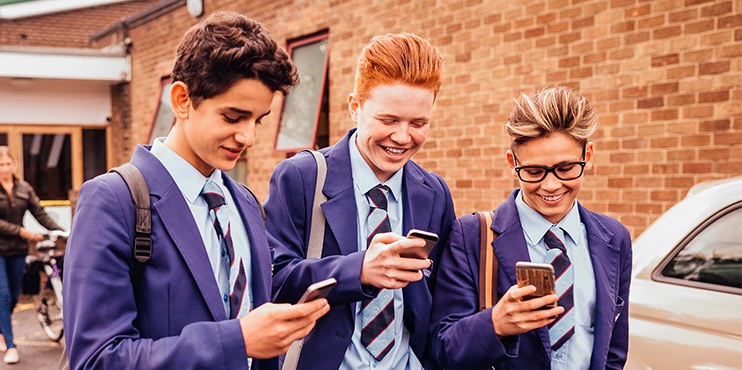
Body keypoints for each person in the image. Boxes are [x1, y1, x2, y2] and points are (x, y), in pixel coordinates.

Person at [63, 12, 329, 369]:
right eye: (233, 117)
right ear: (182, 100)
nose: (248, 137)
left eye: (259, 120)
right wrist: (238, 340)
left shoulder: (245, 201)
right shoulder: (113, 200)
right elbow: (97, 359)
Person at [265, 33, 455, 369]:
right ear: (355, 107)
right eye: (388, 120)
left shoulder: (435, 192)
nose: (402, 137)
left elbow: (441, 301)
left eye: (418, 123)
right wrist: (360, 270)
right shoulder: (301, 177)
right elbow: (274, 281)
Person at [430, 86, 632, 369]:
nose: (551, 185)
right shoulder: (472, 235)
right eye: (534, 172)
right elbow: (442, 347)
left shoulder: (614, 238)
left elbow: (614, 350)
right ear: (513, 163)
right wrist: (495, 324)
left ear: (590, 155)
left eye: (566, 168)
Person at [0, 145, 65, 364]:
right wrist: (23, 232)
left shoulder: (24, 188)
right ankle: (10, 345)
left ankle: (0, 329)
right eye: (1, 165)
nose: (6, 168)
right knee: (3, 295)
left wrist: (61, 230)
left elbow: (40, 213)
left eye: (9, 164)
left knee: (15, 298)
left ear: (14, 165)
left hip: (17, 250)